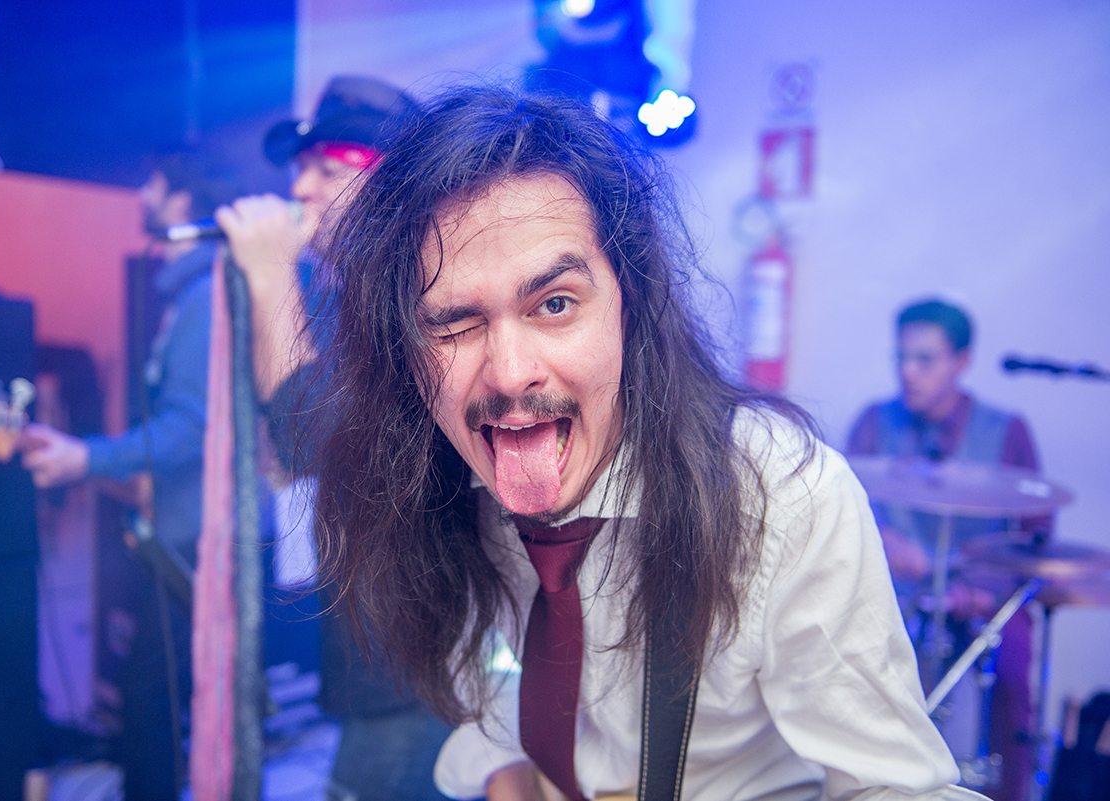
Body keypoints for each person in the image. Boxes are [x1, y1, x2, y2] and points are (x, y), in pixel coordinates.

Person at [278, 86, 981, 801]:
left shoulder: (778, 493)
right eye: (455, 323)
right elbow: (491, 696)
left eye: (554, 303)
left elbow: (897, 787)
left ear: (631, 303)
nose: (510, 371)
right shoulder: (440, 483)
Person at [216, 76, 453, 801]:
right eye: (300, 168)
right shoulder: (351, 298)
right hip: (385, 647)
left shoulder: (423, 292)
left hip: (421, 661)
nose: (302, 187)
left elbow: (309, 439)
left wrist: (268, 273)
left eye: (327, 167)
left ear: (385, 183)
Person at [20, 149, 229, 800]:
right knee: (153, 699)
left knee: (150, 704)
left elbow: (188, 428)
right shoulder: (186, 291)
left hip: (190, 535)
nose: (140, 193)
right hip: (174, 526)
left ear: (177, 198)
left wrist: (84, 457)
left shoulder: (203, 294)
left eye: (151, 182)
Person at [847, 299, 1046, 801]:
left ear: (962, 360)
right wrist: (880, 541)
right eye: (901, 358)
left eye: (924, 359)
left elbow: (1034, 542)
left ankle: (1008, 790)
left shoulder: (1008, 431)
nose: (907, 372)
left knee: (1015, 665)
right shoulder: (873, 422)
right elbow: (837, 514)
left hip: (983, 601)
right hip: (892, 594)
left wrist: (973, 594)